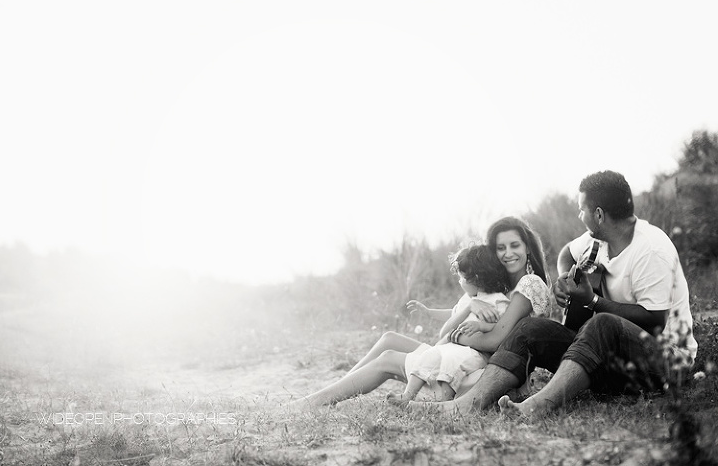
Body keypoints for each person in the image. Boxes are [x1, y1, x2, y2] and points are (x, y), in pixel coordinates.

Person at [421, 171, 697, 417]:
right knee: (530, 327)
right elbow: (567, 253)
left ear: (598, 214)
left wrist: (593, 300)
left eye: (581, 210)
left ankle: (538, 405)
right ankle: (468, 403)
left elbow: (655, 319)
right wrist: (565, 279)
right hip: (608, 363)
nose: (579, 216)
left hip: (664, 364)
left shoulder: (651, 249)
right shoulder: (597, 239)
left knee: (602, 322)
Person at [288, 216, 551, 410]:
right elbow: (470, 316)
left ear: (527, 247)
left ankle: (313, 402)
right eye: (500, 248)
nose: (507, 254)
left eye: (514, 245)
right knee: (390, 338)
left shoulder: (528, 285)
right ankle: (341, 386)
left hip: (486, 369)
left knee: (389, 358)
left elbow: (496, 340)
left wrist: (455, 335)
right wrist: (455, 315)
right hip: (465, 356)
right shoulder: (504, 287)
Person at [391, 244, 511, 403]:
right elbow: (453, 314)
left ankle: (444, 401)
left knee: (451, 364)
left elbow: (504, 328)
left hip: (476, 352)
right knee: (429, 355)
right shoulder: (468, 298)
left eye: (461, 277)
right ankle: (408, 395)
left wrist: (481, 326)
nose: (460, 281)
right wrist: (429, 312)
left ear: (475, 278)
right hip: (453, 345)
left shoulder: (498, 300)